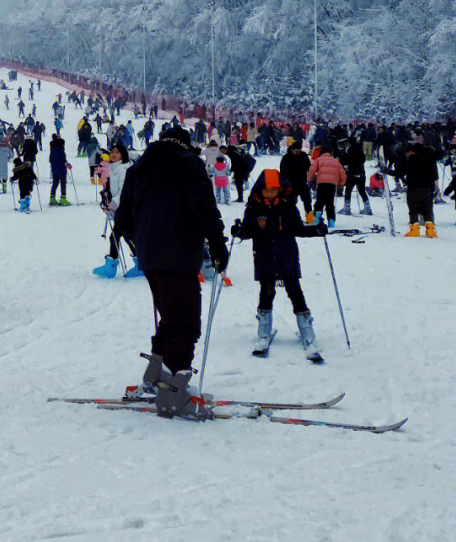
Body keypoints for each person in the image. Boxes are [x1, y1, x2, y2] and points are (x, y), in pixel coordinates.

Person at [114, 124, 228, 416]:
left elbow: (123, 219)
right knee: (185, 321)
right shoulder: (188, 163)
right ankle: (174, 393)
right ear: (184, 143)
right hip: (179, 252)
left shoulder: (138, 167)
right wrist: (216, 242)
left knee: (171, 316)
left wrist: (140, 243)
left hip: (151, 257)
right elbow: (204, 205)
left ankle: (155, 378)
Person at [231, 168, 327, 353]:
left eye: (273, 190)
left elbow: (298, 229)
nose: (269, 193)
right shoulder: (253, 207)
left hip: (286, 255)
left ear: (281, 189)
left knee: (295, 291)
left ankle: (307, 330)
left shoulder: (288, 206)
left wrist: (315, 230)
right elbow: (249, 230)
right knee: (266, 292)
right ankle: (264, 330)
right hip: (264, 256)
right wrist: (240, 232)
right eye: (266, 190)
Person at [93, 142, 139, 277]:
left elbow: (124, 191)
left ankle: (116, 265)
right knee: (119, 236)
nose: (113, 154)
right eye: (112, 152)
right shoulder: (115, 169)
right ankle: (133, 263)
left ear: (123, 154)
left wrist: (112, 204)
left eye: (117, 152)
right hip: (121, 209)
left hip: (126, 209)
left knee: (120, 235)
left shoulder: (124, 169)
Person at [402, 136, 439, 237]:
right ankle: (430, 230)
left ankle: (414, 230)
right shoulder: (429, 159)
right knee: (427, 209)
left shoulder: (412, 159)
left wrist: (387, 171)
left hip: (414, 187)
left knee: (413, 209)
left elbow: (400, 171)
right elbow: (434, 174)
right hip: (428, 188)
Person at [307, 147, 346, 228]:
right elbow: (342, 173)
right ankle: (331, 223)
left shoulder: (319, 160)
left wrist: (309, 180)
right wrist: (340, 184)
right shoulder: (336, 161)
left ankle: (316, 219)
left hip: (321, 184)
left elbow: (312, 170)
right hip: (331, 185)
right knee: (330, 204)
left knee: (319, 201)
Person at [279, 139, 312, 220]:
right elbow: (282, 171)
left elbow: (309, 167)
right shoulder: (286, 157)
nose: (298, 153)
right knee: (291, 202)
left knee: (307, 201)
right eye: (296, 152)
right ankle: (293, 218)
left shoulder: (303, 156)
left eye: (299, 152)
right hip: (291, 184)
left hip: (302, 182)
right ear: (292, 149)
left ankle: (310, 218)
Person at [47, 132, 69, 205]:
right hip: (62, 169)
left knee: (55, 183)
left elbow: (50, 160)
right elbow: (63, 160)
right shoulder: (61, 151)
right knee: (63, 183)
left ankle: (52, 198)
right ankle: (63, 199)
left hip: (54, 169)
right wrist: (67, 164)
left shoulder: (52, 151)